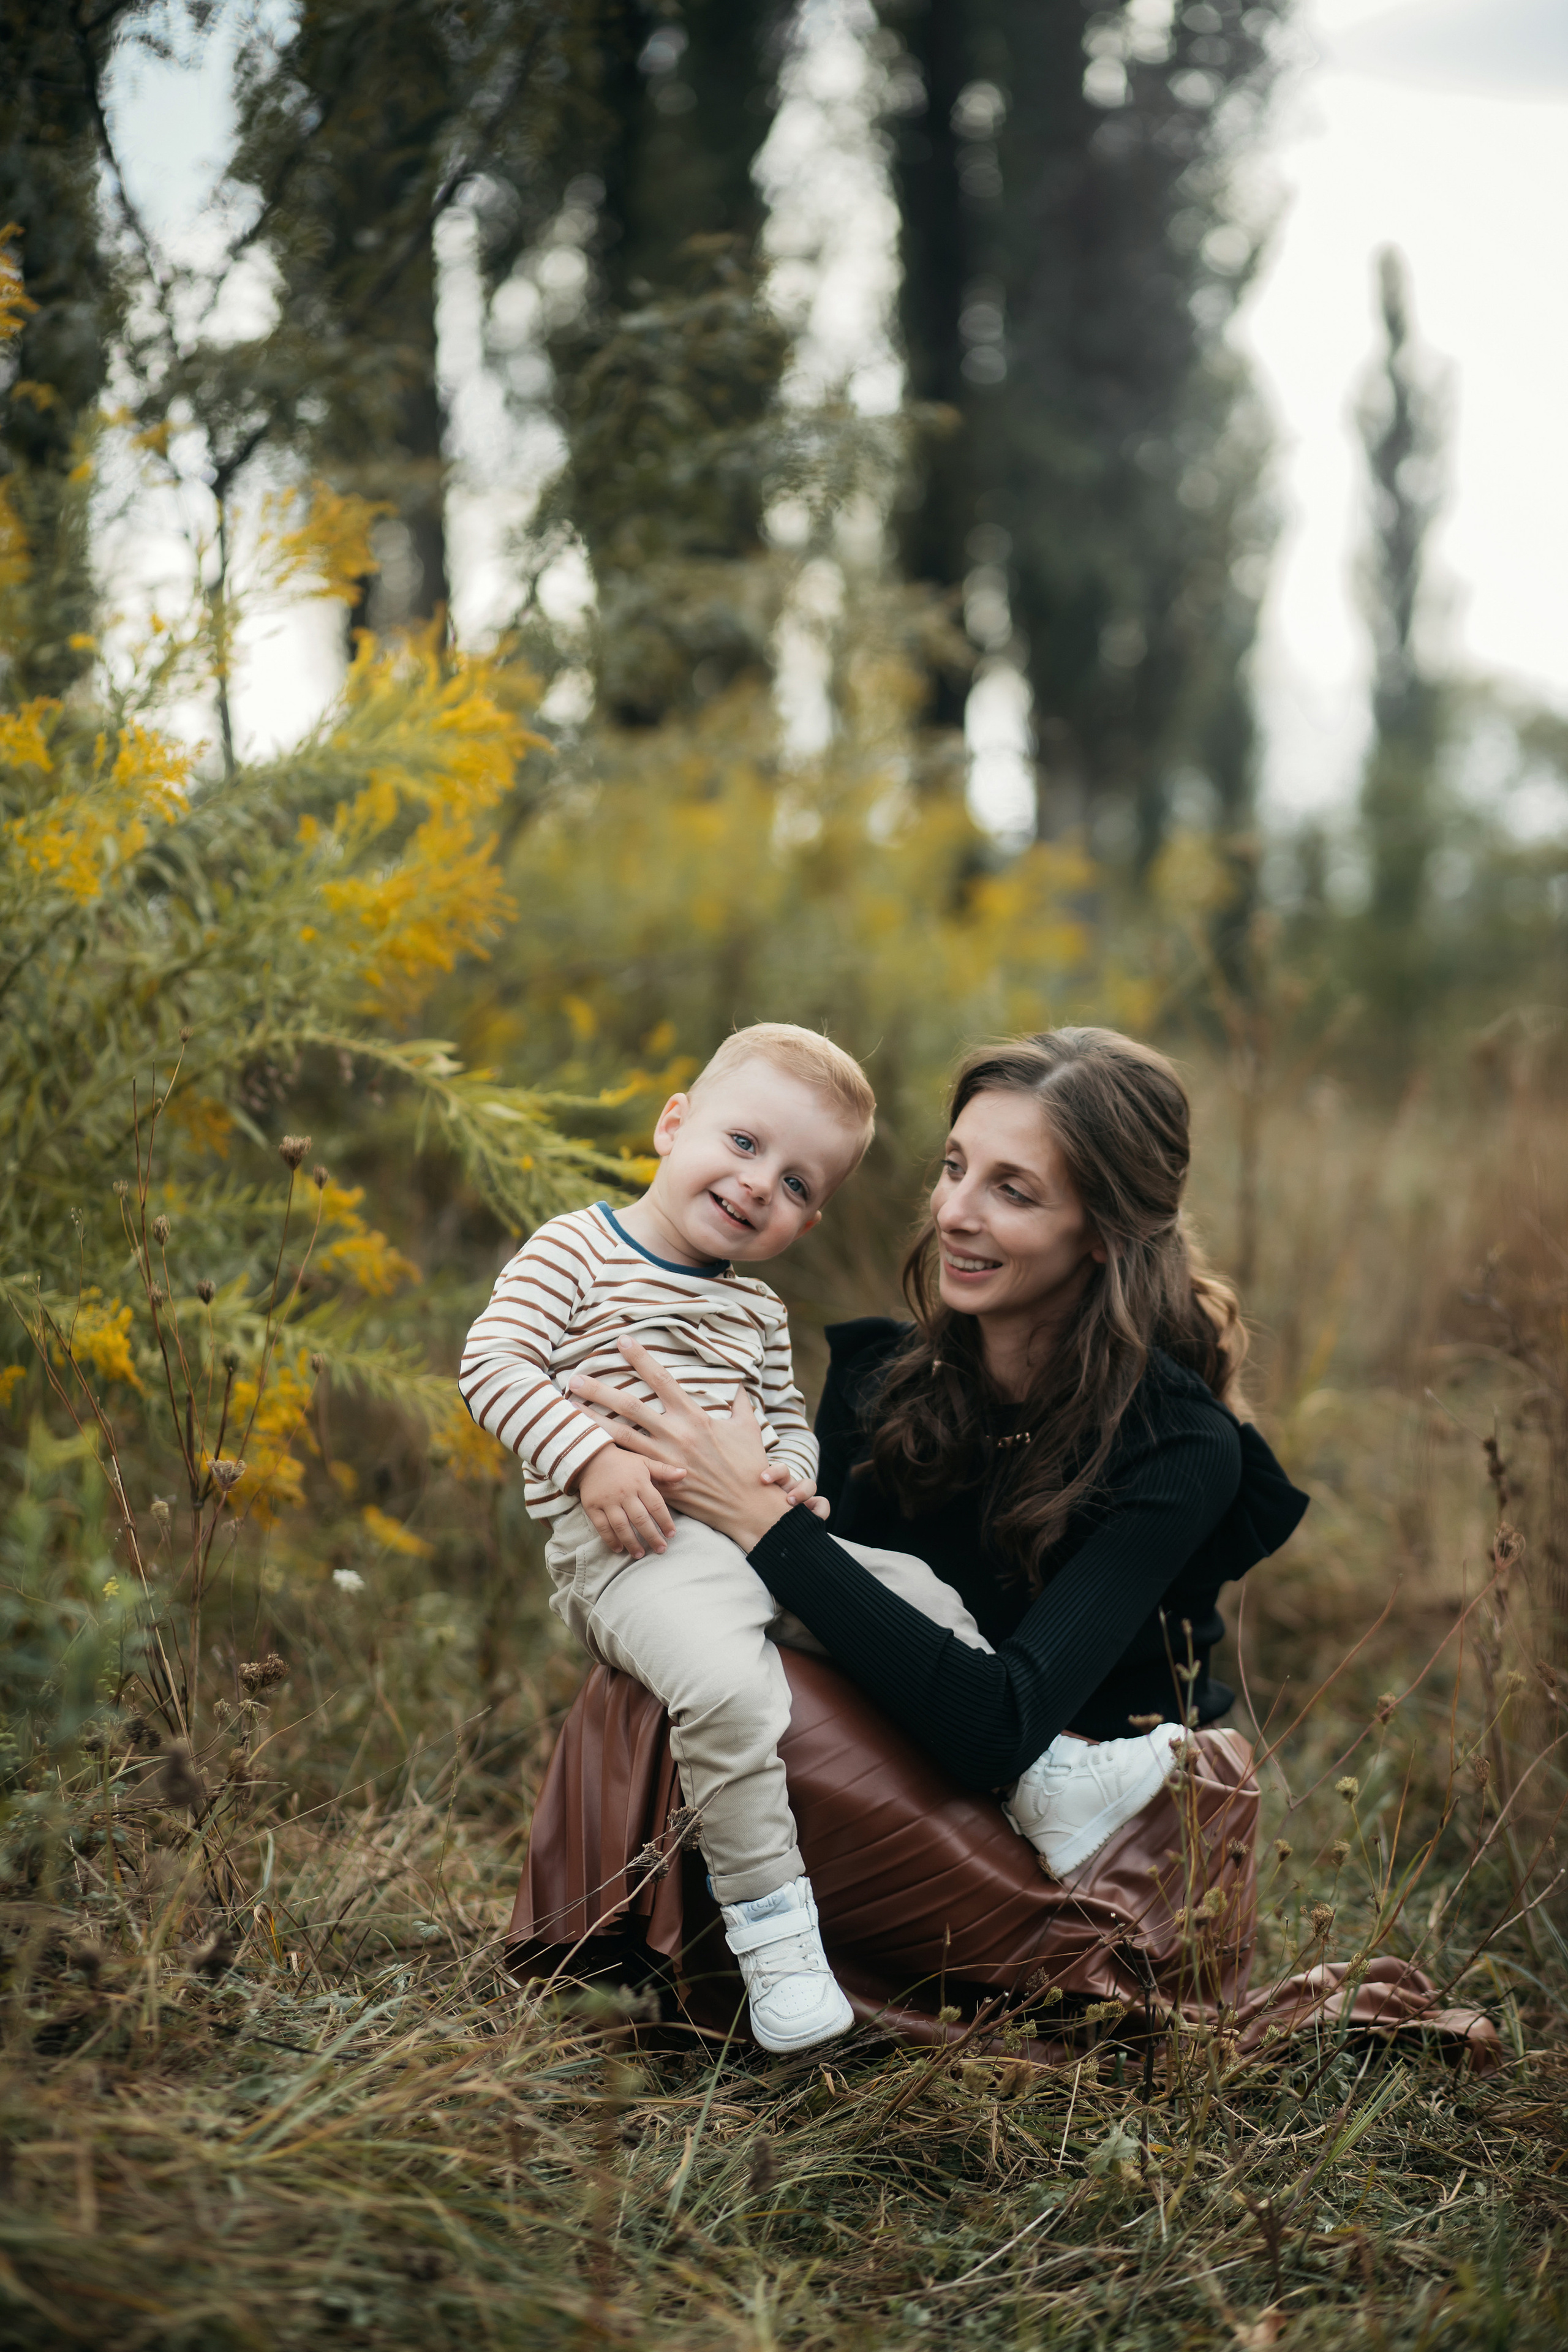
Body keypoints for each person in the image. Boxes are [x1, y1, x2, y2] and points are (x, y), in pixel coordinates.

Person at [557, 1029, 1311, 2027]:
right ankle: (736, 1969)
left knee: (735, 1687)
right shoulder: (883, 1380)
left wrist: (758, 1519)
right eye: (955, 1168)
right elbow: (812, 1634)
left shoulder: (1178, 1448)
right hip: (904, 1781)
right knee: (674, 1669)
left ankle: (787, 1970)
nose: (955, 1212)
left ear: (1104, 1232)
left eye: (1014, 1190)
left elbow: (998, 1726)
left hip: (1079, 1849)